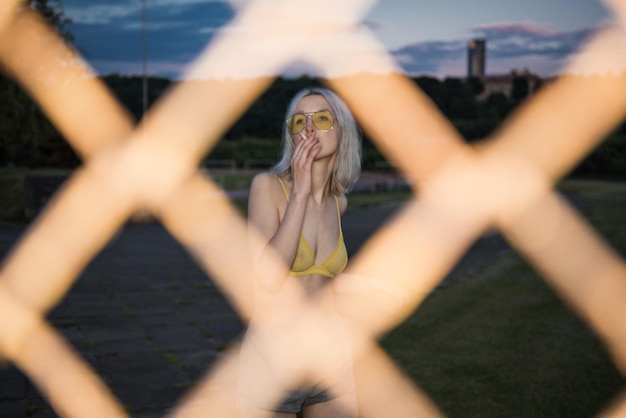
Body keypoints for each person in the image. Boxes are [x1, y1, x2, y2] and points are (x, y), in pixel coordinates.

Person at [240, 86, 362, 418]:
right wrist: (301, 192)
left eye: (321, 118)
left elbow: (321, 282)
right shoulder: (267, 188)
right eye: (299, 121)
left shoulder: (340, 202)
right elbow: (268, 277)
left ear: (342, 129)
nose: (309, 128)